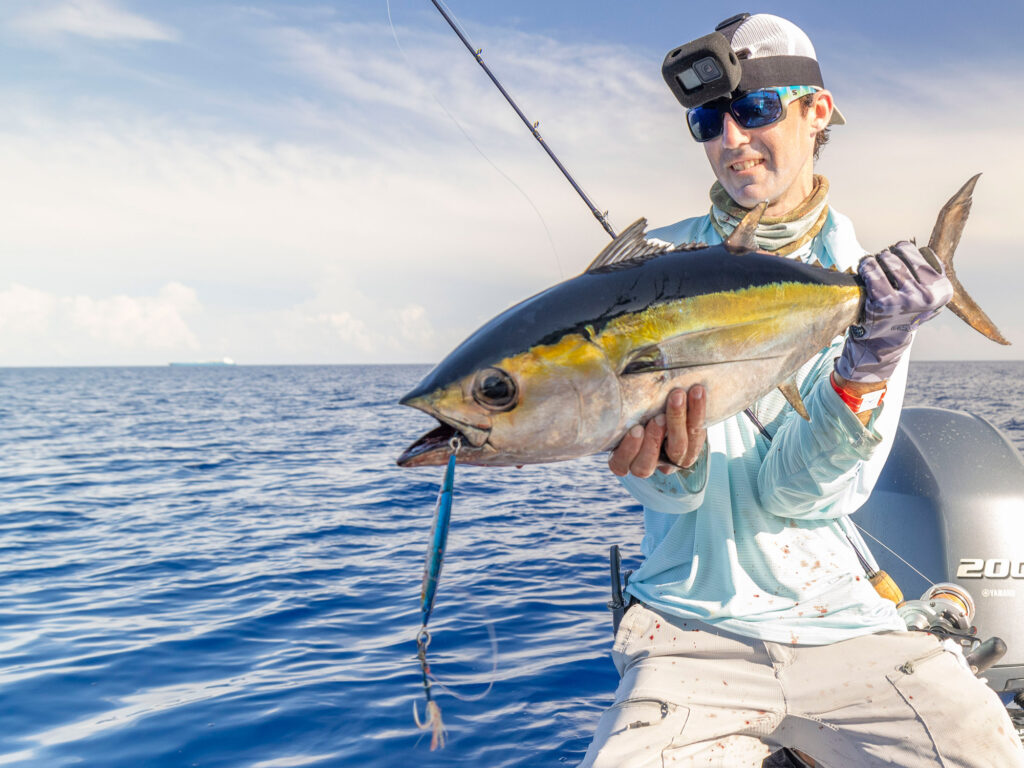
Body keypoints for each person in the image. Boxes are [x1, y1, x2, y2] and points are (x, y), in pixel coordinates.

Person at [580, 13, 1024, 768]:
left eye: (754, 109)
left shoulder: (867, 280)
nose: (731, 138)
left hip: (844, 621)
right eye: (707, 119)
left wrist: (870, 361)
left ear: (816, 113)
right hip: (685, 626)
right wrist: (670, 467)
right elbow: (670, 502)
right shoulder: (646, 269)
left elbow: (806, 497)